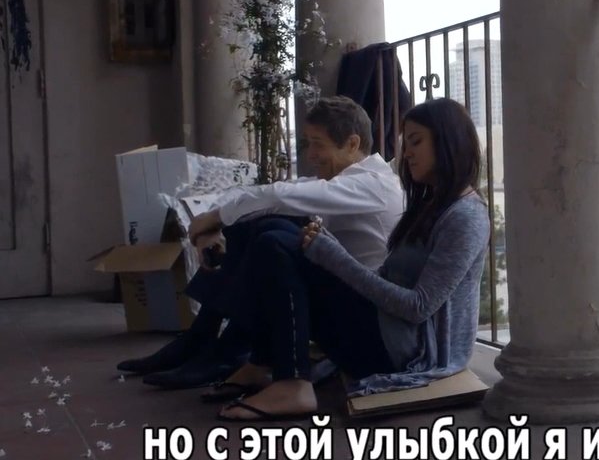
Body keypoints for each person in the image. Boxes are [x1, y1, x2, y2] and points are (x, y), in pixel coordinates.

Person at [216, 98, 490, 421]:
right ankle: (263, 363)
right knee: (274, 231)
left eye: (416, 142)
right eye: (406, 144)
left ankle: (290, 383)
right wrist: (330, 248)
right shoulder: (430, 205)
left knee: (276, 243)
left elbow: (417, 307)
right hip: (384, 331)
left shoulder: (467, 217)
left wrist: (334, 258)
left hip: (404, 353)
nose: (406, 153)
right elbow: (387, 276)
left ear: (448, 142)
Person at [116, 96, 405, 395]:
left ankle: (223, 351)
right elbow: (269, 194)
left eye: (318, 144)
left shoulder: (373, 185)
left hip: (367, 330)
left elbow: (280, 196)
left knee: (273, 239)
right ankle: (203, 340)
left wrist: (215, 218)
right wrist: (213, 224)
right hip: (348, 308)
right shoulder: (352, 180)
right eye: (308, 143)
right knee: (262, 225)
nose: (311, 155)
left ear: (352, 143)